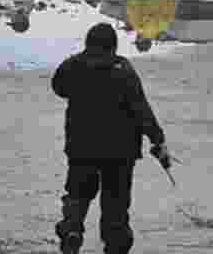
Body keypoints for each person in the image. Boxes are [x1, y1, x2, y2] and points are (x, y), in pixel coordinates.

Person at [52, 22, 169, 254]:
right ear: (114, 45)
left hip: (82, 146)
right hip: (120, 150)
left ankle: (72, 229)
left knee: (78, 193)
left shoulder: (72, 65)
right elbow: (140, 108)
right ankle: (116, 244)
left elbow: (59, 88)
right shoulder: (123, 69)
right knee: (116, 201)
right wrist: (157, 138)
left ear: (88, 43)